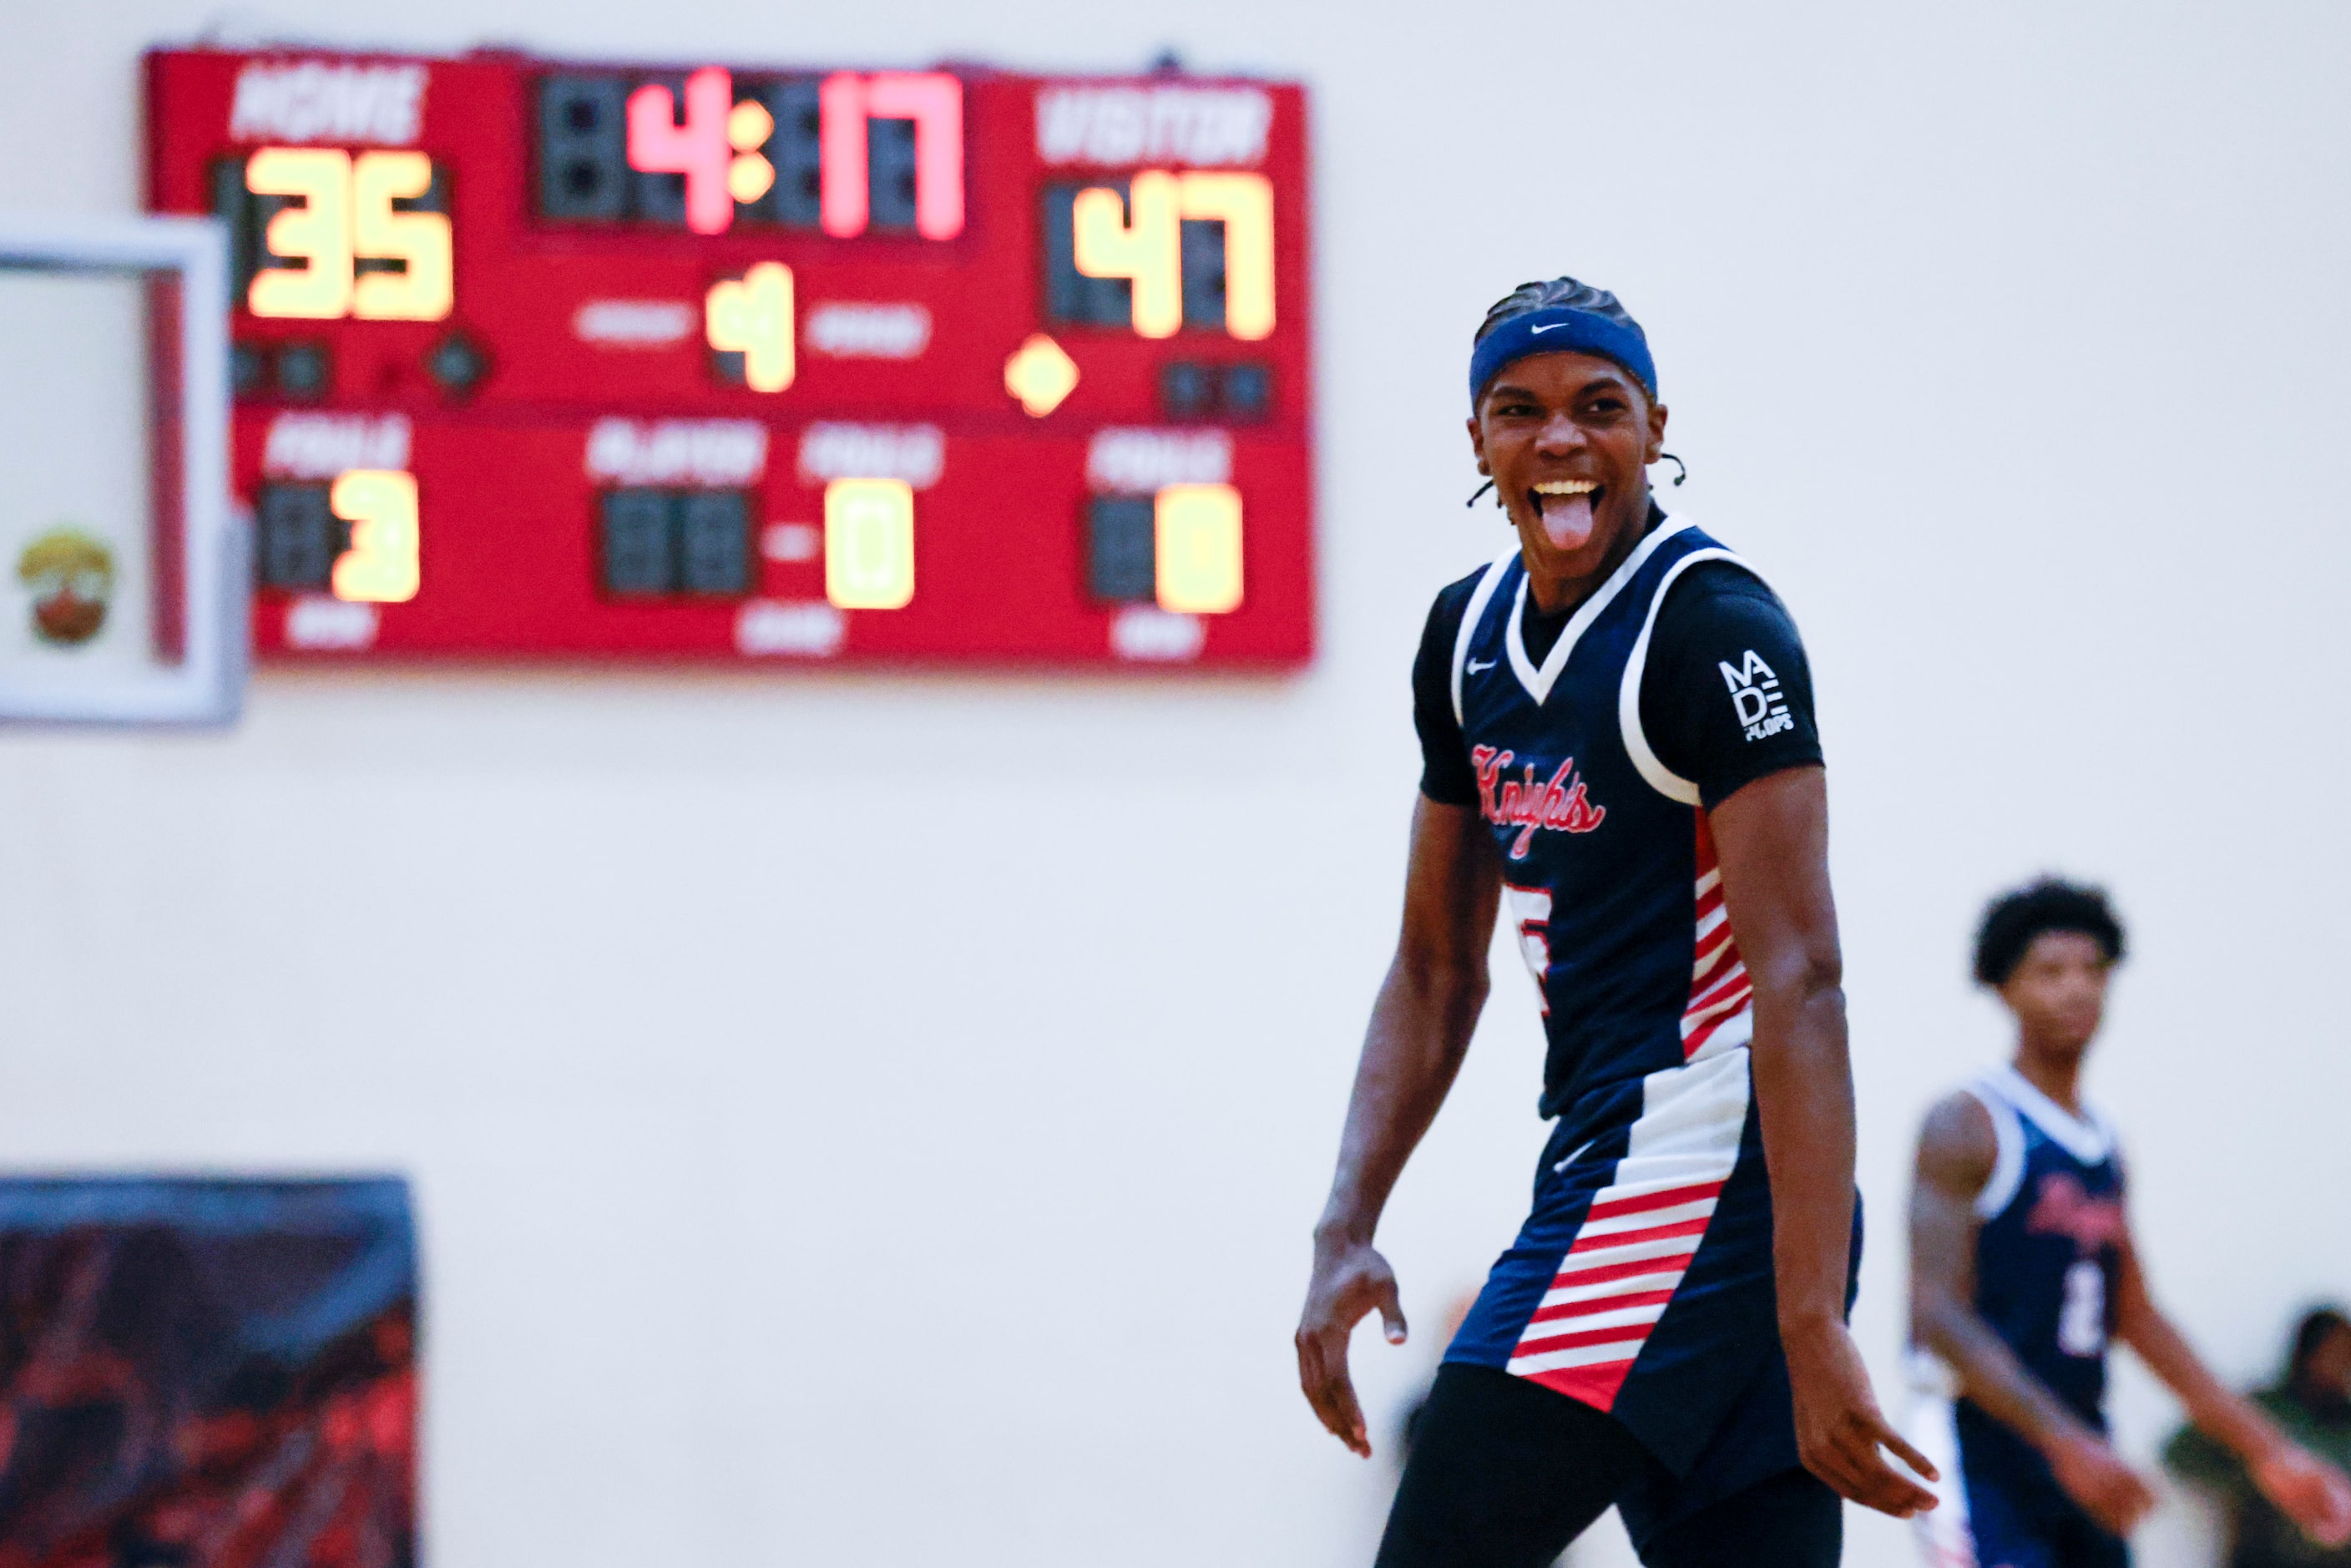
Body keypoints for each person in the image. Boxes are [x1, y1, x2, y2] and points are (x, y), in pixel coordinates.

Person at [1292, 276, 1936, 1568]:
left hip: (1705, 1169)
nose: (1562, 438)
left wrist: (1811, 1316)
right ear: (1477, 440)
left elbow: (1804, 979)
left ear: (1654, 424)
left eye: (1600, 405)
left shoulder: (1711, 628)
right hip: (1608, 1153)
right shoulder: (1464, 637)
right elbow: (1433, 969)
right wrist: (1345, 1224)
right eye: (1519, 410)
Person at [1907, 880, 2351, 1568]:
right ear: (2004, 988)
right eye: (2050, 972)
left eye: (2092, 970)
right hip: (1981, 1443)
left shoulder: (2104, 1138)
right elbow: (1936, 1311)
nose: (2076, 989)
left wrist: (2273, 1453)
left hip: (2081, 1440)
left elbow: (2136, 1316)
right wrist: (2064, 1442)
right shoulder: (1969, 1122)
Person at [2166, 1308, 2351, 1567]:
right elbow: (2178, 1455)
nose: (2341, 1364)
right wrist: (2256, 1472)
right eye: (2333, 1353)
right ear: (2307, 1354)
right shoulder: (2258, 1412)